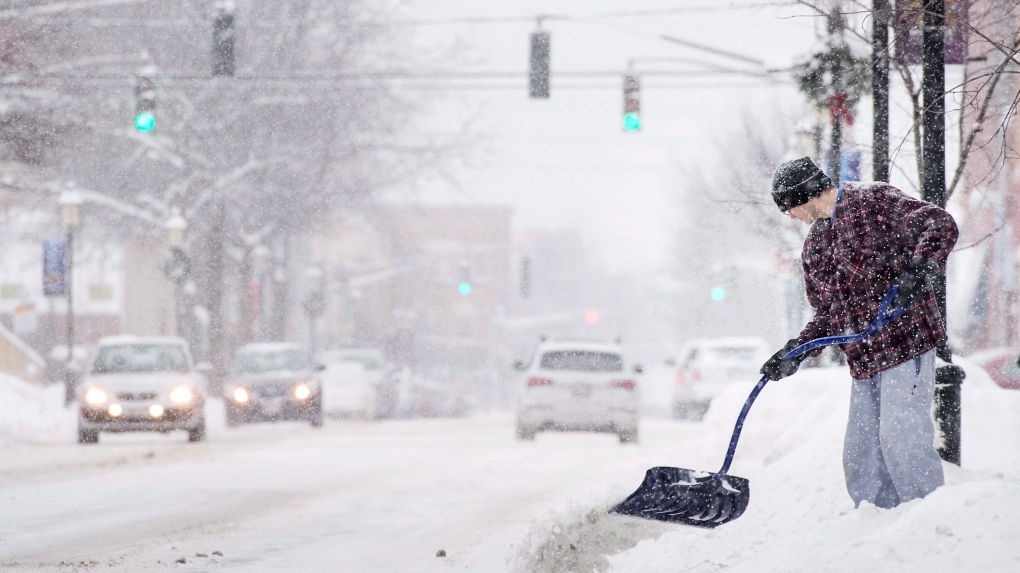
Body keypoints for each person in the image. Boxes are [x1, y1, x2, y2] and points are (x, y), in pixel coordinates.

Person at [760, 156, 958, 509]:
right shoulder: (815, 246)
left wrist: (922, 266)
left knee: (901, 437)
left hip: (906, 340)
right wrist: (795, 351)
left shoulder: (873, 201)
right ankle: (875, 524)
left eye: (788, 208)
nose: (790, 217)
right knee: (861, 453)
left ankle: (927, 517)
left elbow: (939, 223)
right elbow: (829, 315)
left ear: (803, 196)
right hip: (865, 359)